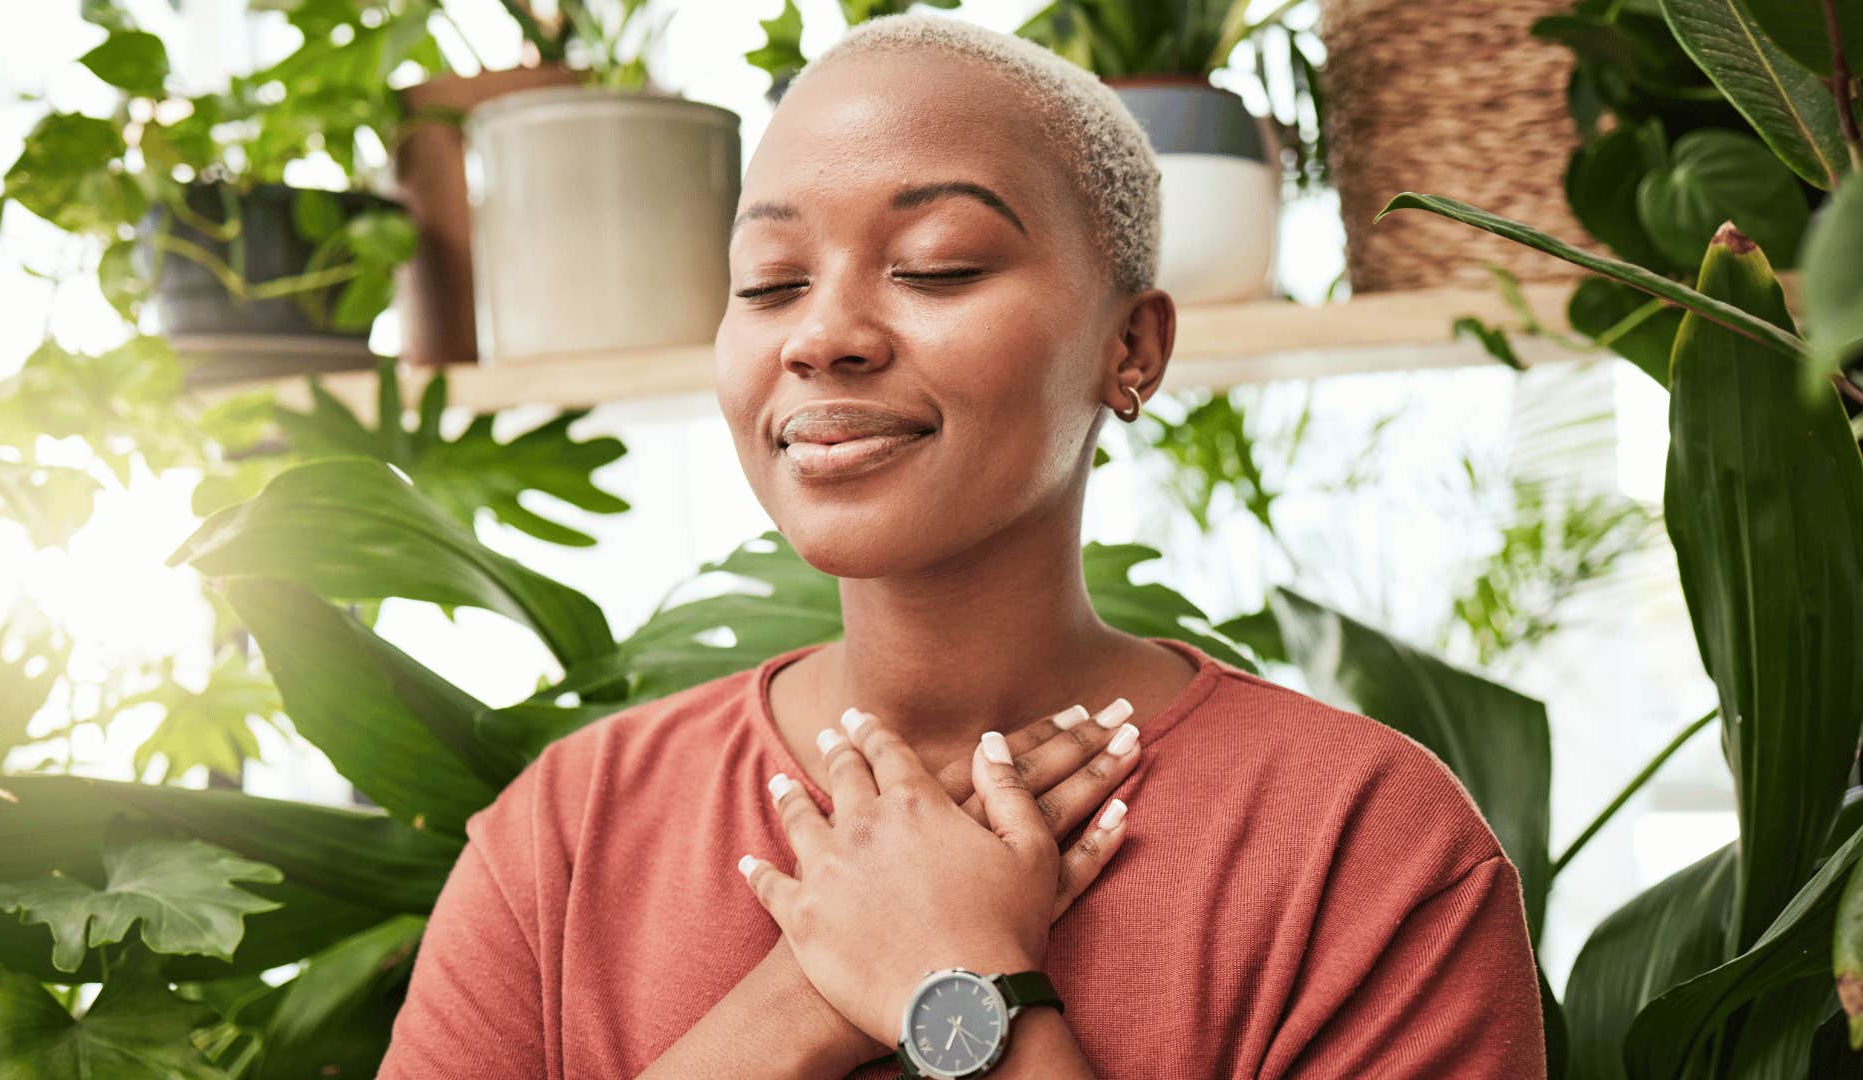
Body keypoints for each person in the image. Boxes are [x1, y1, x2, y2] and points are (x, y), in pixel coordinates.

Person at [378, 13, 1547, 1079]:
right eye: (770, 282)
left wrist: (970, 990)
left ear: (1130, 347)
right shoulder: (570, 834)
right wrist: (804, 998)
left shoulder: (1364, 847)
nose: (824, 335)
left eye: (937, 264)